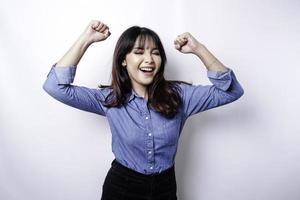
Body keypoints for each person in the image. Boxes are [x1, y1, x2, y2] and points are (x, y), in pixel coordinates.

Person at [43, 20, 244, 200]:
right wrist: (87, 39)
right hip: (121, 188)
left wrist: (199, 49)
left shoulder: (181, 96)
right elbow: (54, 86)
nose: (149, 59)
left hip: (164, 188)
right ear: (123, 60)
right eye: (139, 52)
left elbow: (232, 90)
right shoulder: (109, 100)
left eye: (155, 52)